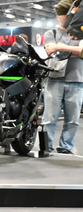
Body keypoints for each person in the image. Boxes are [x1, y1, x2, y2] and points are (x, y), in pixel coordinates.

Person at [43, 23, 83, 154]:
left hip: (77, 80)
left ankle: (66, 147)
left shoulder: (80, 32)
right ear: (59, 17)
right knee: (49, 118)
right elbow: (49, 50)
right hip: (54, 79)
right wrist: (75, 50)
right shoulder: (51, 33)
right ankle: (46, 147)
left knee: (73, 119)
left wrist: (59, 47)